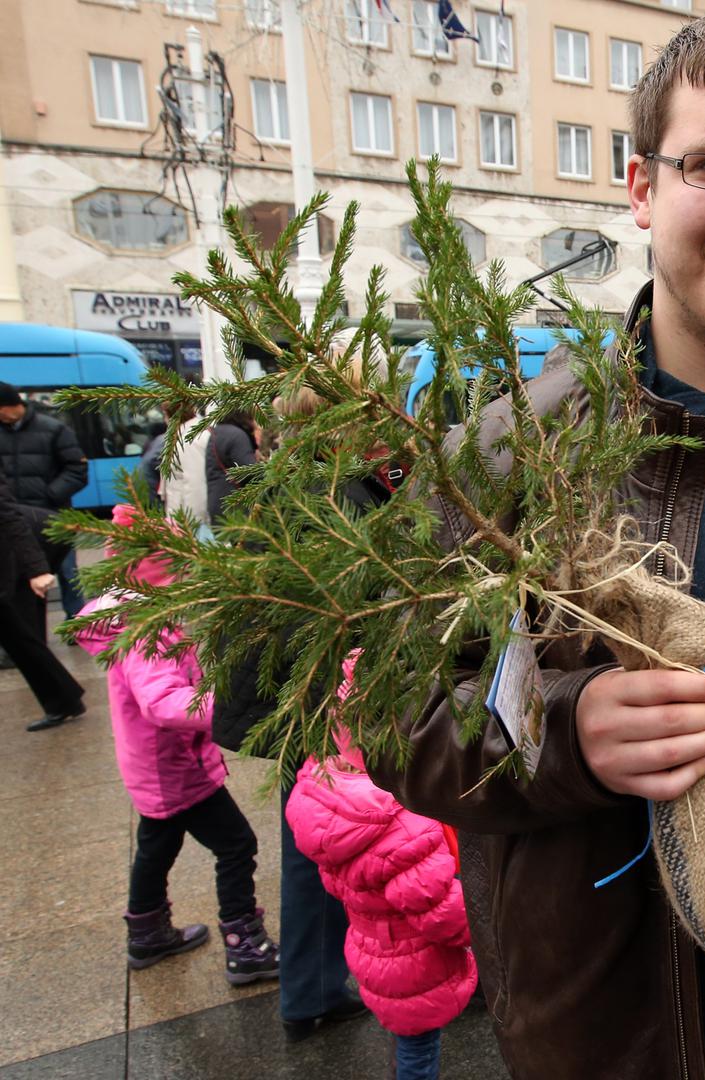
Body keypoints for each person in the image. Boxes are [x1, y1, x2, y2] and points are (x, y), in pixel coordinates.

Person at [368, 13, 705, 1078]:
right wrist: (563, 734)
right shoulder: (506, 458)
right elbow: (395, 719)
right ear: (641, 188)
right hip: (618, 1041)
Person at [209, 375, 380, 1042]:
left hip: (292, 692)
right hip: (322, 695)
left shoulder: (280, 480)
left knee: (310, 839)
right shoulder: (333, 491)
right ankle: (318, 988)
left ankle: (311, 988)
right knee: (325, 844)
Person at [74, 504, 279, 983]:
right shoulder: (148, 629)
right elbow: (162, 703)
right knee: (237, 845)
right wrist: (224, 709)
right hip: (175, 767)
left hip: (150, 765)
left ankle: (146, 932)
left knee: (156, 845)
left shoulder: (128, 617)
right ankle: (244, 945)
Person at [286, 659, 476, 1079]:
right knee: (419, 1051)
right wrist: (484, 927)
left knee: (403, 1036)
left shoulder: (328, 799)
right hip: (417, 963)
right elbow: (442, 912)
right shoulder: (401, 827)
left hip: (372, 948)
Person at [0, 468, 86, 731]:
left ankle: (63, 702)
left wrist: (36, 569)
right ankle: (65, 701)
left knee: (20, 633)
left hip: (24, 547)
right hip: (20, 548)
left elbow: (8, 515)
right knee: (21, 633)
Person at [0, 381, 90, 620]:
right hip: (14, 521)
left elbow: (77, 469)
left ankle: (78, 622)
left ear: (9, 405)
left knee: (67, 572)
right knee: (18, 578)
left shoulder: (53, 429)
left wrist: (50, 494)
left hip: (52, 516)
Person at [205, 410, 257, 522]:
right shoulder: (237, 435)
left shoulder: (218, 432)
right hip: (236, 505)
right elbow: (250, 471)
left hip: (218, 502)